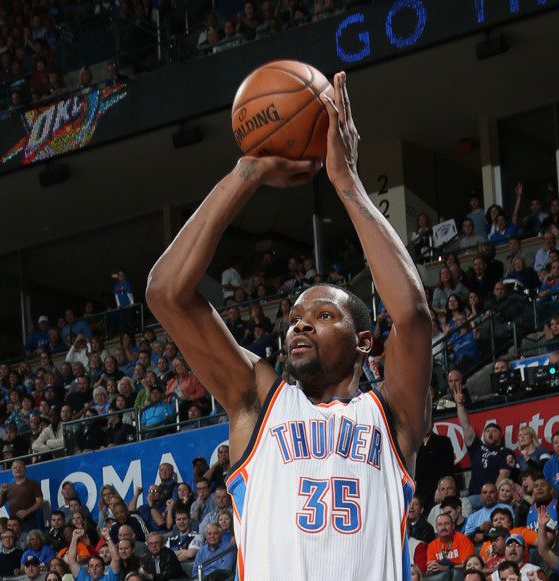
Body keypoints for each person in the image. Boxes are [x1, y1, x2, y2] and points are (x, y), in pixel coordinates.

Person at [146, 73, 431, 579]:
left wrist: (348, 185)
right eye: (294, 319)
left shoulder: (393, 414)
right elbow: (167, 292)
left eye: (323, 316)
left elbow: (410, 316)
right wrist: (247, 172)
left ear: (365, 341)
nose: (299, 327)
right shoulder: (258, 401)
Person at [451, 376, 513, 509]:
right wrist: (460, 405)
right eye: (487, 431)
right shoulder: (477, 447)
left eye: (494, 431)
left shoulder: (505, 452)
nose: (490, 433)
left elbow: (504, 474)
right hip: (473, 495)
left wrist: (493, 495)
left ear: (500, 435)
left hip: (492, 497)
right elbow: (466, 425)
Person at [0, 460, 44, 532]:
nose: (17, 469)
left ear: (25, 470)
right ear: (12, 471)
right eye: (15, 468)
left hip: (29, 521)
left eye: (20, 467)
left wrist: (27, 511)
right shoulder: (8, 487)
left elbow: (40, 502)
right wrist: (1, 492)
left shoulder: (33, 483)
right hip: (13, 523)